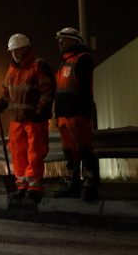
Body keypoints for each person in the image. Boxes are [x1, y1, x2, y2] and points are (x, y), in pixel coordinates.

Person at [0, 33, 55, 204]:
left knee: (34, 154)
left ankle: (34, 187)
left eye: (17, 50)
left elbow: (47, 92)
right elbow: (6, 94)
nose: (15, 54)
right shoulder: (12, 70)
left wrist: (40, 111)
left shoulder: (38, 66)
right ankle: (21, 186)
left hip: (34, 121)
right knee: (18, 154)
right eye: (12, 51)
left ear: (26, 49)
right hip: (17, 121)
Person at [53, 26, 99, 201]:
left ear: (74, 41)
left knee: (84, 150)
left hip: (77, 114)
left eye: (63, 39)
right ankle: (72, 184)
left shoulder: (82, 60)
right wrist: (57, 113)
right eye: (59, 40)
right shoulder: (65, 62)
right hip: (65, 115)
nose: (60, 43)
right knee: (69, 153)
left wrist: (83, 110)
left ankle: (90, 185)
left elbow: (84, 90)